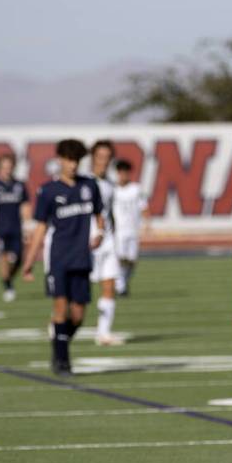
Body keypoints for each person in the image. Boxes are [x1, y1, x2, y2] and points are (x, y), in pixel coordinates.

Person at [22, 139, 104, 376]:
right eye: (68, 160)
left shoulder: (90, 186)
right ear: (59, 160)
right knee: (60, 308)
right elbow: (40, 229)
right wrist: (28, 263)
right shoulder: (48, 191)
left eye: (76, 160)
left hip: (82, 258)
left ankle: (59, 343)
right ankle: (62, 361)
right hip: (58, 258)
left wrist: (99, 233)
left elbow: (100, 215)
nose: (73, 165)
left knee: (78, 315)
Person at [88, 139, 124, 345]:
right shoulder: (84, 181)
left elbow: (110, 214)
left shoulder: (110, 185)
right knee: (76, 291)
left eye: (107, 157)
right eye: (100, 156)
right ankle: (58, 322)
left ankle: (103, 333)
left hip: (107, 241)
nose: (103, 161)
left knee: (109, 285)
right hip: (86, 242)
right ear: (93, 157)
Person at [0, 153, 30, 302]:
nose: (7, 170)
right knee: (3, 256)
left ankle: (8, 278)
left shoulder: (19, 185)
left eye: (9, 167)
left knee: (19, 259)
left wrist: (28, 226)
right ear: (0, 168)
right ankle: (8, 286)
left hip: (16, 227)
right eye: (4, 167)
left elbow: (25, 206)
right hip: (2, 228)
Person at [111, 159, 149, 296]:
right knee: (121, 258)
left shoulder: (135, 189)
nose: (123, 175)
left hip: (133, 229)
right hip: (119, 231)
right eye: (120, 172)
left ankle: (123, 282)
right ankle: (120, 286)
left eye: (125, 172)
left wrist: (147, 223)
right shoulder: (113, 190)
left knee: (132, 260)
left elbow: (143, 207)